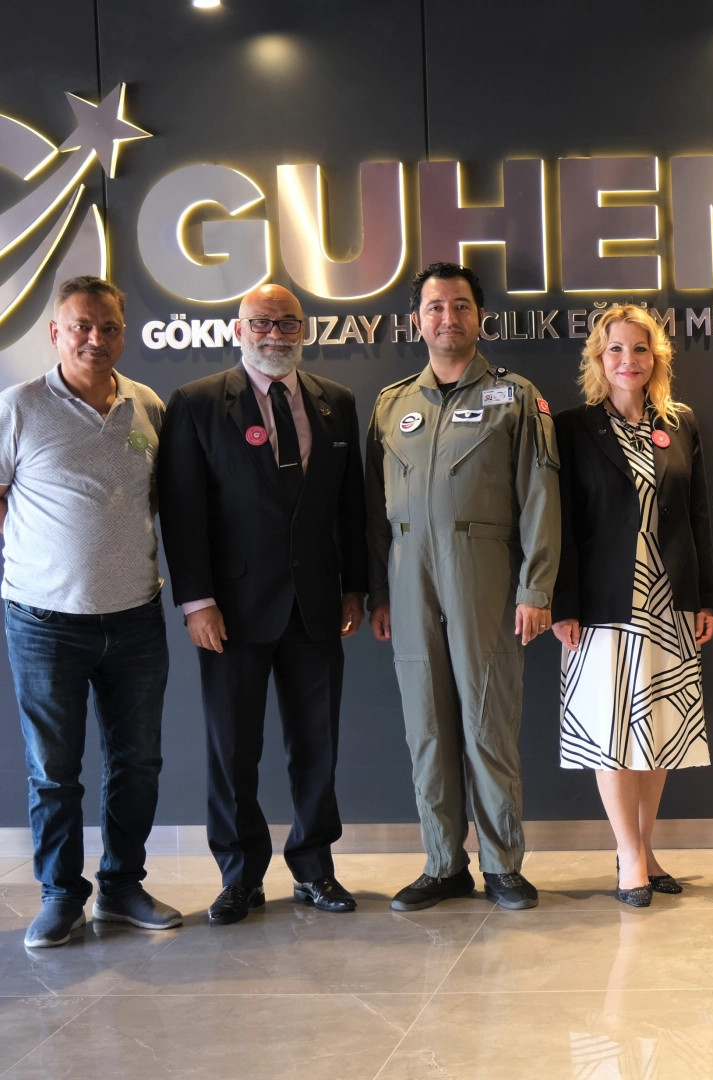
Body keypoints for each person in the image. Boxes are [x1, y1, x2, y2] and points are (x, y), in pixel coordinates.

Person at [157, 283, 368, 925]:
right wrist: (197, 602)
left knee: (317, 746)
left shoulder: (336, 402)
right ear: (238, 329)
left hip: (316, 605)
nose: (274, 333)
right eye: (261, 323)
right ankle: (239, 876)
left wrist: (354, 586)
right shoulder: (196, 403)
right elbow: (183, 512)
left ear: (304, 329)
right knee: (232, 750)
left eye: (287, 323)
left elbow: (350, 506)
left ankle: (314, 868)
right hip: (232, 610)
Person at [365, 262, 560, 912]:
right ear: (417, 320)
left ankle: (502, 865)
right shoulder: (392, 404)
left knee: (486, 722)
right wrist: (379, 592)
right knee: (426, 726)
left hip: (485, 574)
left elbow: (540, 497)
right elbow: (371, 511)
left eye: (460, 306)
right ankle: (443, 864)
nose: (447, 317)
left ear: (481, 317)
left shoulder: (515, 397)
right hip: (409, 576)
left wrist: (536, 588)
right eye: (435, 307)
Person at [0, 276, 180, 948]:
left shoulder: (147, 405)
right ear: (56, 332)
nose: (94, 338)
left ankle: (123, 887)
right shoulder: (18, 407)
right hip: (44, 623)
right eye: (80, 326)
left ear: (123, 333)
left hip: (135, 616)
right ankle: (60, 897)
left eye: (107, 327)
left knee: (138, 762)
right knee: (54, 772)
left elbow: (158, 498)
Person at [552, 305, 713, 908]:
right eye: (616, 349)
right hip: (603, 604)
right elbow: (560, 524)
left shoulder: (680, 422)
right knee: (612, 733)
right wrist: (562, 604)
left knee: (657, 731)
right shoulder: (573, 427)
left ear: (657, 358)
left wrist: (704, 598)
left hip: (668, 600)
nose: (629, 360)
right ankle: (627, 856)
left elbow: (697, 515)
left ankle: (644, 849)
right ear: (599, 358)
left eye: (641, 349)